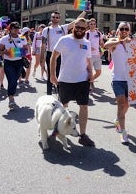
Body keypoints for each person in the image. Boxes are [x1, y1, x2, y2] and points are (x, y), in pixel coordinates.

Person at [49, 18, 95, 147]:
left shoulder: (87, 42)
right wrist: (52, 74)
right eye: (78, 27)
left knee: (84, 106)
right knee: (63, 106)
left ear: (85, 30)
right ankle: (58, 129)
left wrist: (91, 74)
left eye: (82, 28)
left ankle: (83, 135)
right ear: (73, 27)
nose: (80, 30)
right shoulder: (65, 40)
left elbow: (88, 60)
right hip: (65, 80)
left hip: (82, 80)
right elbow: (53, 57)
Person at [40, 11, 85, 95]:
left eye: (57, 17)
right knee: (50, 74)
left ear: (59, 19)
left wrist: (85, 11)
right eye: (53, 17)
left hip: (61, 54)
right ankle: (49, 95)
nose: (55, 19)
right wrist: (41, 58)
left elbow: (76, 21)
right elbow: (43, 44)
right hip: (50, 54)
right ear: (51, 18)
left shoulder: (63, 28)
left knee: (60, 75)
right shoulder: (47, 29)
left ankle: (60, 95)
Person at [104, 22, 133, 144]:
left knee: (127, 105)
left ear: (130, 31)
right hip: (117, 79)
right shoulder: (115, 41)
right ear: (118, 30)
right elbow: (106, 45)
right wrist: (121, 41)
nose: (124, 31)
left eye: (127, 29)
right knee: (121, 104)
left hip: (130, 80)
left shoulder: (132, 43)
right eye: (122, 29)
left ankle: (117, 119)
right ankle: (123, 131)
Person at [0, 22, 28, 109]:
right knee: (12, 80)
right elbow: (0, 51)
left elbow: (26, 50)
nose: (16, 29)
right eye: (14, 28)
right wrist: (6, 52)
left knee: (15, 80)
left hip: (19, 63)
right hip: (8, 63)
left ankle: (12, 95)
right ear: (10, 29)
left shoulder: (22, 38)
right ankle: (11, 99)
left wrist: (13, 52)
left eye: (18, 28)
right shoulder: (4, 39)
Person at [85, 18, 105, 87]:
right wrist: (89, 48)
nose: (93, 25)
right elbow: (83, 44)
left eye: (94, 24)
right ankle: (90, 83)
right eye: (91, 24)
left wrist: (102, 51)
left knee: (98, 72)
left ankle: (90, 80)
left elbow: (102, 43)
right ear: (89, 25)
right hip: (89, 55)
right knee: (89, 72)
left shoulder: (99, 33)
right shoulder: (86, 33)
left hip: (97, 55)